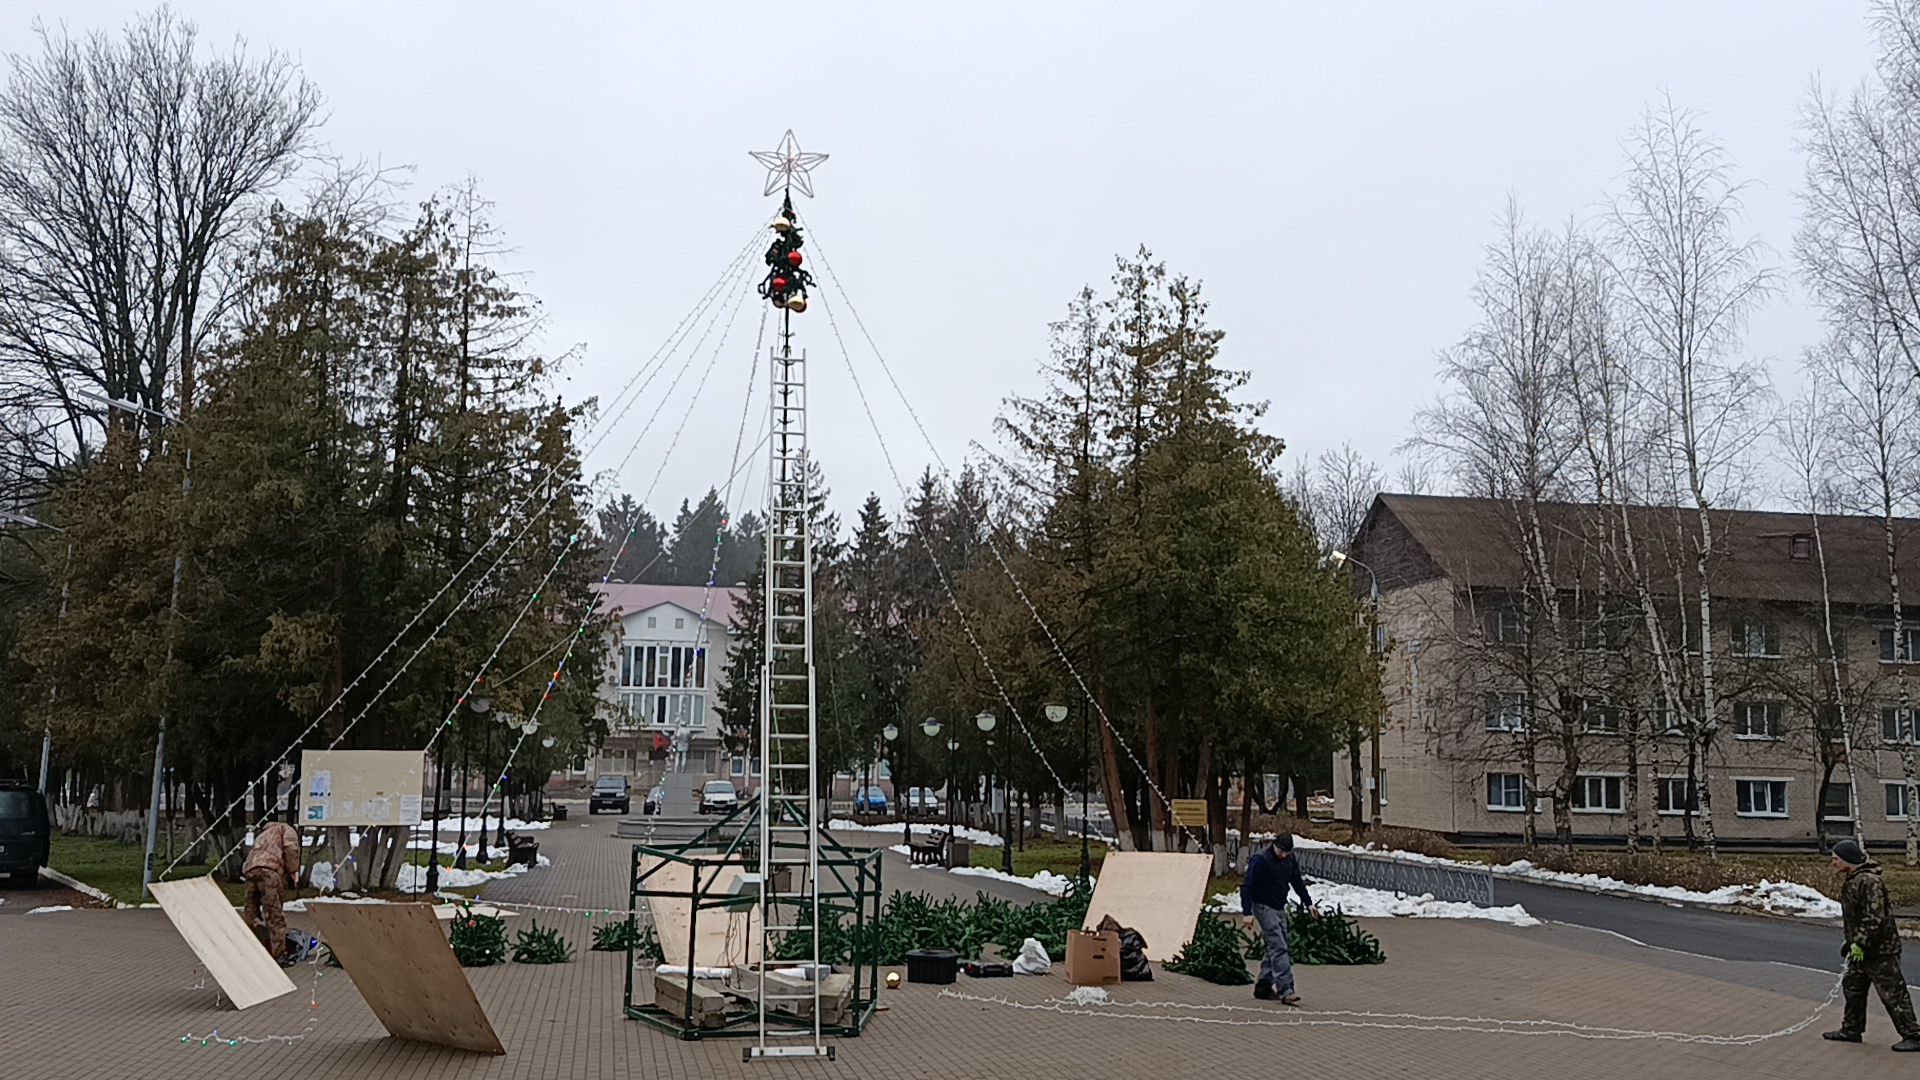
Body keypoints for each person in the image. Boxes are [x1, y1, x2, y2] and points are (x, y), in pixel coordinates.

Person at [1823, 838, 1920, 1052]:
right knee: (1853, 989)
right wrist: (1851, 942)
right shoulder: (1853, 879)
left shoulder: (1869, 881)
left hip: (1880, 951)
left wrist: (1860, 942)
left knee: (1893, 993)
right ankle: (1851, 1029)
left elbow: (1874, 918)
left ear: (1848, 859)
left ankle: (1913, 1035)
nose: (1834, 862)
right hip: (1861, 949)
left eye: (1836, 858)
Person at [1241, 832, 1315, 1005]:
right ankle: (1286, 990)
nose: (1283, 855)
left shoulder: (1289, 859)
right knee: (1279, 945)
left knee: (1282, 943)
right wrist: (1247, 913)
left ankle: (1263, 986)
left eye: (1286, 853)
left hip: (1278, 906)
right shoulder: (1261, 860)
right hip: (1262, 906)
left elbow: (1296, 881)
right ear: (1274, 845)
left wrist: (1309, 903)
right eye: (1280, 851)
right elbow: (1247, 886)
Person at [242, 814, 302, 964]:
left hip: (250, 869)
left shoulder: (264, 833)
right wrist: (293, 871)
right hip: (270, 871)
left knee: (250, 911)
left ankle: (253, 946)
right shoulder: (286, 830)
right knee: (274, 913)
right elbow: (291, 849)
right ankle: (279, 954)